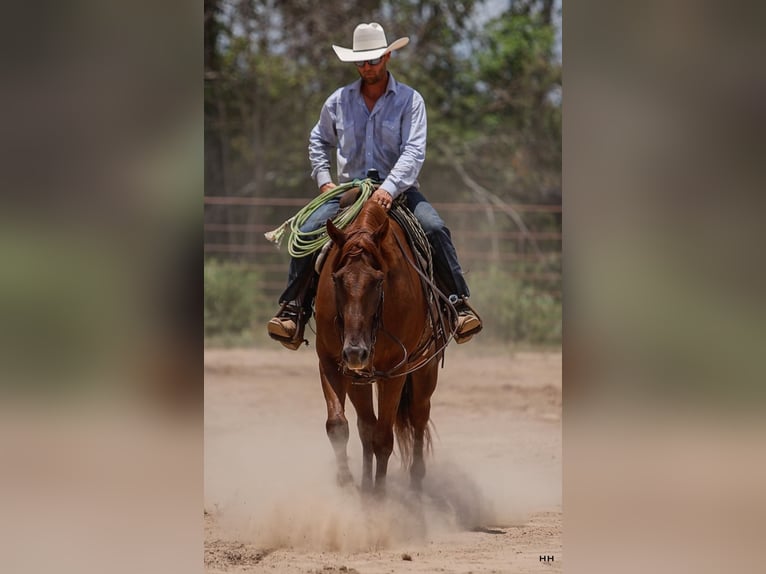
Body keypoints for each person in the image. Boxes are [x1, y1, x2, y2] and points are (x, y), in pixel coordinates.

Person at [267, 22, 482, 350]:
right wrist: (325, 181)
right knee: (308, 232)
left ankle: (457, 304)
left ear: (387, 57)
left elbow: (413, 150)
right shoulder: (337, 101)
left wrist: (389, 188)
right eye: (361, 61)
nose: (367, 67)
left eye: (373, 60)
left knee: (435, 228)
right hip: (349, 192)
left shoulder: (410, 100)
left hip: (399, 192)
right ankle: (294, 310)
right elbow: (318, 140)